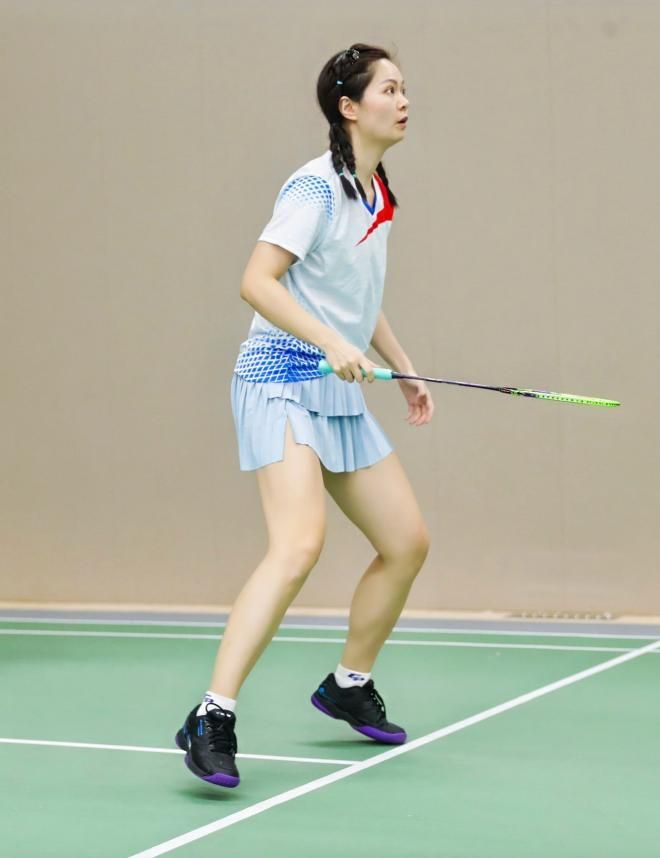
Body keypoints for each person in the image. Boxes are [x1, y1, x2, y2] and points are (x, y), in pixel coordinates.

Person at [175, 46, 434, 788]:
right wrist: (329, 342)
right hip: (278, 379)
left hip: (336, 388)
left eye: (405, 88)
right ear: (350, 107)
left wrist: (402, 366)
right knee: (297, 546)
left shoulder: (376, 191)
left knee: (406, 543)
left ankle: (349, 684)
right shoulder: (315, 187)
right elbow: (257, 281)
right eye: (389, 89)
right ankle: (212, 715)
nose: (403, 100)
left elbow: (356, 294)